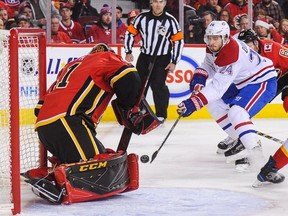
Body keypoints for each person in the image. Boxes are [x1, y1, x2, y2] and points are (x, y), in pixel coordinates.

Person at [21, 43, 160, 204]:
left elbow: (39, 109)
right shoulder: (106, 57)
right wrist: (130, 105)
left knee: (102, 155)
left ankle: (53, 172)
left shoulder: (71, 67)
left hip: (46, 129)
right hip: (68, 122)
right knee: (100, 170)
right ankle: (51, 180)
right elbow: (128, 74)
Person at [177, 21, 277, 171]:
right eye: (209, 38)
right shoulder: (216, 46)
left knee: (237, 112)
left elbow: (217, 88)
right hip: (242, 81)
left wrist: (193, 103)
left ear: (224, 37)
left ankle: (256, 155)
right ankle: (241, 139)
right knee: (213, 103)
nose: (211, 42)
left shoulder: (231, 53)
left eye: (215, 38)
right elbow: (209, 65)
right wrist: (199, 78)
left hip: (262, 80)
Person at [124, 0, 184, 122]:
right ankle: (139, 110)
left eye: (161, 2)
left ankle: (161, 114)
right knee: (138, 85)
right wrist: (128, 51)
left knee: (158, 85)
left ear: (165, 3)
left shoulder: (170, 20)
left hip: (162, 58)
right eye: (155, 1)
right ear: (151, 3)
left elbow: (178, 41)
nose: (158, 4)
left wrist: (174, 61)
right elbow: (130, 33)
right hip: (145, 57)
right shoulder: (141, 18)